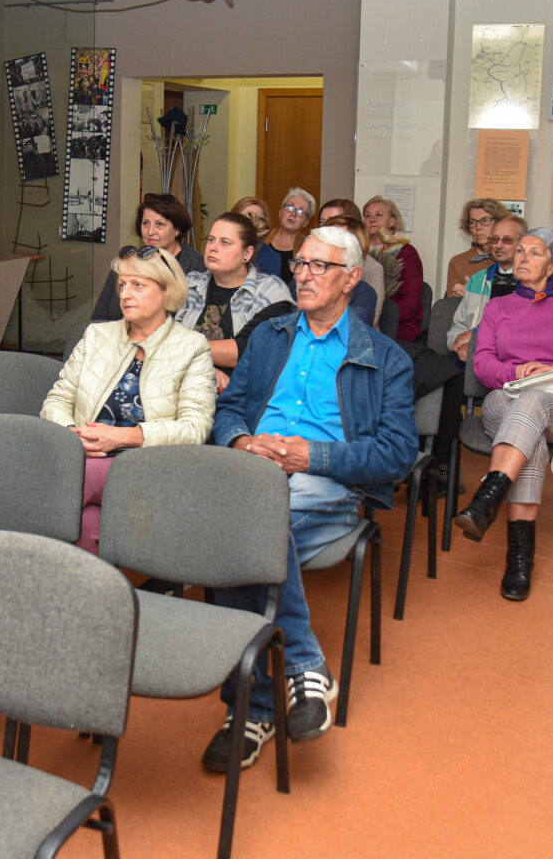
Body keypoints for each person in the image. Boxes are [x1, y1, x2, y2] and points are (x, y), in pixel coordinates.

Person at [205, 226, 417, 768]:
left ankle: (251, 709)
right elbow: (229, 409)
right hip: (253, 473)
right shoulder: (270, 336)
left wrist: (312, 457)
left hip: (326, 485)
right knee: (250, 521)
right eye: (300, 263)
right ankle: (306, 669)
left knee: (237, 534)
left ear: (351, 278)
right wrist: (243, 440)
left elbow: (396, 454)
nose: (303, 275)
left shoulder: (386, 358)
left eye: (319, 266)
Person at [452, 229, 553, 600]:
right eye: (519, 250)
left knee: (534, 402)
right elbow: (482, 365)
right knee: (529, 417)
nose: (522, 257)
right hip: (506, 398)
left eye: (534, 253)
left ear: (552, 266)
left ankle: (489, 498)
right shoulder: (497, 308)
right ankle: (519, 557)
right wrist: (517, 373)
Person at [44, 246, 215, 554]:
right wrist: (72, 435)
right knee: (87, 527)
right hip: (84, 455)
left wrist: (122, 437)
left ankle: (5, 558)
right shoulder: (97, 336)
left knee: (63, 481)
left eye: (138, 285)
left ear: (166, 291)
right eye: (122, 284)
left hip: (148, 465)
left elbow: (195, 428)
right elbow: (57, 400)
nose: (125, 294)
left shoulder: (192, 347)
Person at [175, 212, 294, 392]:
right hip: (184, 389)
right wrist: (207, 371)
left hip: (241, 397)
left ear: (247, 253)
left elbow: (246, 350)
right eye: (211, 240)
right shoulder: (190, 284)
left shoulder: (270, 291)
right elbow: (162, 337)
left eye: (225, 242)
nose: (213, 248)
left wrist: (182, 349)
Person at [89, 193, 203, 322]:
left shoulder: (197, 267)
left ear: (177, 229)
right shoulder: (127, 260)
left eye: (160, 224)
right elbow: (98, 317)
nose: (150, 232)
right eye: (146, 223)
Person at [447, 216, 528, 359]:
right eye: (494, 239)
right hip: (468, 359)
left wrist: (476, 337)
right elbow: (457, 327)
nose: (499, 245)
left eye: (507, 240)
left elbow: (528, 335)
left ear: (522, 244)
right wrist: (460, 347)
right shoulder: (478, 280)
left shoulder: (533, 283)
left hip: (513, 361)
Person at [363, 195, 425, 342]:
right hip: (364, 319)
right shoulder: (359, 252)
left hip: (398, 323)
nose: (372, 220)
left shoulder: (406, 252)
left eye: (378, 215)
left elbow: (411, 301)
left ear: (392, 221)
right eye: (367, 216)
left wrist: (382, 315)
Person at [447, 198, 510, 297]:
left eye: (485, 221)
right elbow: (449, 303)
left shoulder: (512, 258)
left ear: (499, 223)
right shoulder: (458, 262)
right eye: (473, 222)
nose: (478, 227)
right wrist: (461, 296)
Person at [253, 188, 314, 284]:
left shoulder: (309, 247)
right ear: (280, 212)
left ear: (306, 222)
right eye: (290, 207)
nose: (293, 214)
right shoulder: (261, 239)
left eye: (301, 212)